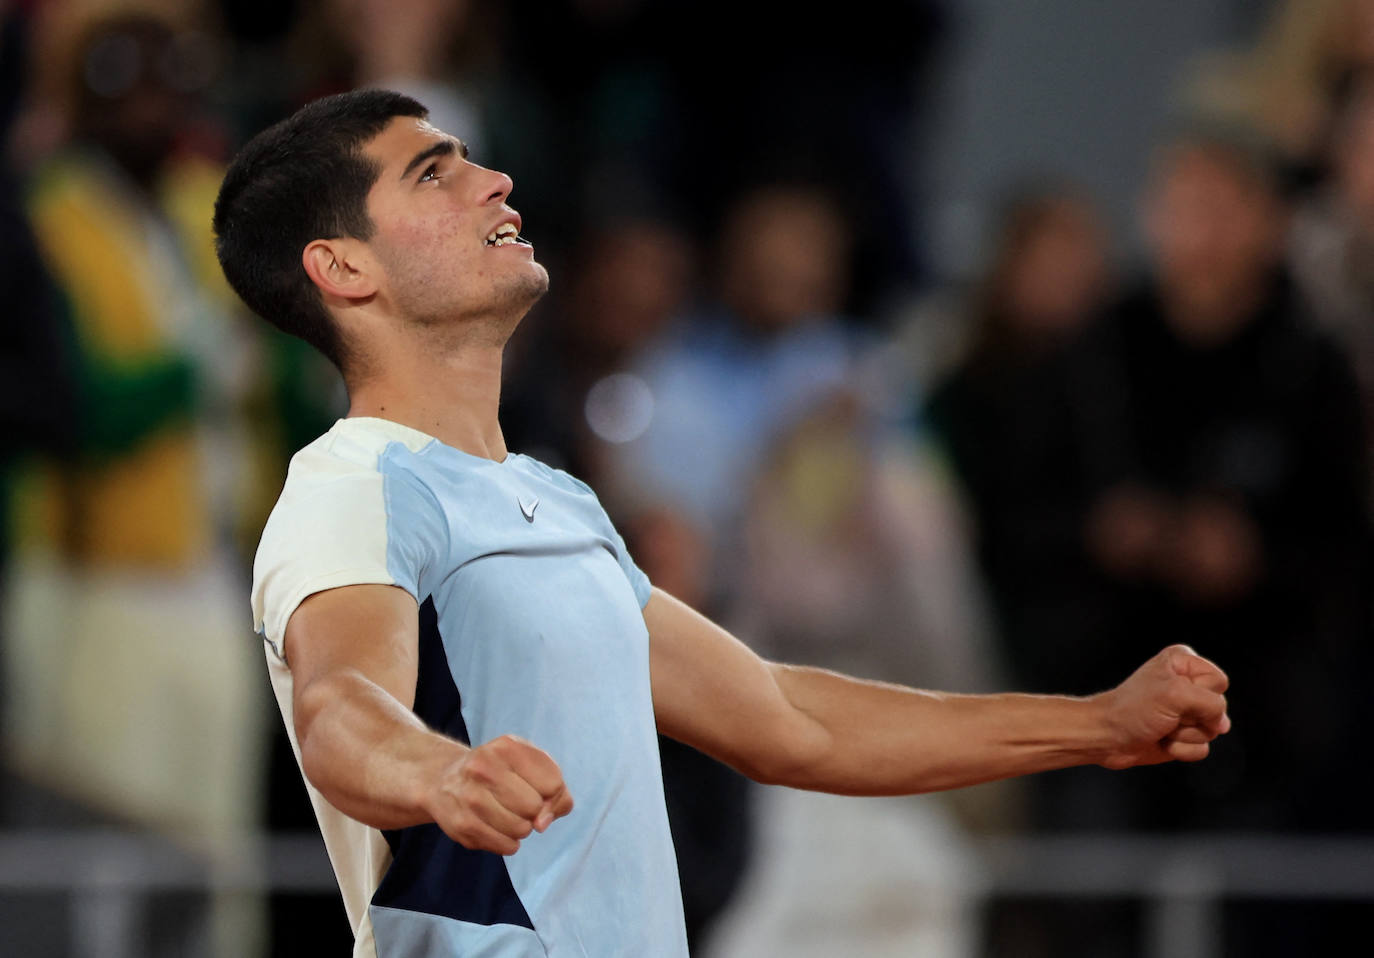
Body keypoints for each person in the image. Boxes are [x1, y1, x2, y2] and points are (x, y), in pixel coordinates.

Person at [212, 89, 1232, 957]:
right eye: (434, 174)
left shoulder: (554, 499)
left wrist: (1096, 724)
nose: (494, 182)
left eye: (472, 158)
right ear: (345, 270)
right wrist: (443, 772)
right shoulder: (352, 486)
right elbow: (340, 705)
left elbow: (790, 718)